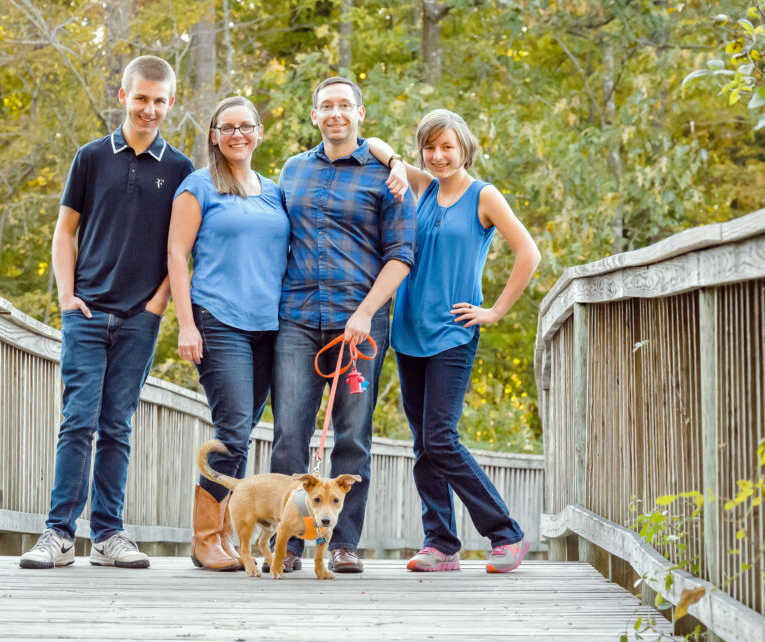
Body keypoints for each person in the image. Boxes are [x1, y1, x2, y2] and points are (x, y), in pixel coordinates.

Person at [20, 56, 194, 569]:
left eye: (160, 100)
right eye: (141, 98)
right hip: (87, 313)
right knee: (78, 421)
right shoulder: (91, 157)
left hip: (140, 317)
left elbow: (183, 246)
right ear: (123, 96)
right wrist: (67, 296)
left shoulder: (180, 168)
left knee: (117, 424)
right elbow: (65, 231)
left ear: (170, 103)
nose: (150, 108)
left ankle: (109, 536)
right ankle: (57, 534)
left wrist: (159, 302)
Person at [367, 110, 540, 573]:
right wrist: (400, 164)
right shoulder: (422, 187)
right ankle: (440, 544)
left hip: (452, 333)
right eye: (431, 147)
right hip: (408, 332)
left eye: (448, 147)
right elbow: (374, 143)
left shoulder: (484, 195)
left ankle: (507, 534)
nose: (439, 156)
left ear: (464, 148)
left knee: (441, 438)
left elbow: (529, 252)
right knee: (423, 443)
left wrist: (495, 310)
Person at [269, 77, 416, 574]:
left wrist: (365, 313)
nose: (335, 114)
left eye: (344, 106)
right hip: (297, 318)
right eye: (326, 106)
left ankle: (343, 545)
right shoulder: (291, 171)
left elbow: (400, 257)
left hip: (361, 321)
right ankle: (287, 546)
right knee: (290, 433)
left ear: (360, 113)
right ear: (314, 116)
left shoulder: (386, 175)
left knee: (352, 435)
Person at [167, 96, 290, 571]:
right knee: (233, 434)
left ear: (260, 132)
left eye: (246, 126)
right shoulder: (198, 186)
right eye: (227, 127)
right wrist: (186, 323)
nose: (237, 134)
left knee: (242, 433)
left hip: (270, 328)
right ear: (214, 135)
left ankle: (221, 536)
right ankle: (204, 541)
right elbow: (177, 255)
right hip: (219, 320)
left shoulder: (274, 191)